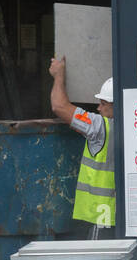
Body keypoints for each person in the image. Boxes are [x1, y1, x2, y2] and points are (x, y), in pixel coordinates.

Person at [49, 56, 116, 238]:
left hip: (102, 216)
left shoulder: (101, 126)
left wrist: (58, 75)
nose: (98, 108)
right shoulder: (134, 126)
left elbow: (59, 106)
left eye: (103, 103)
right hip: (117, 216)